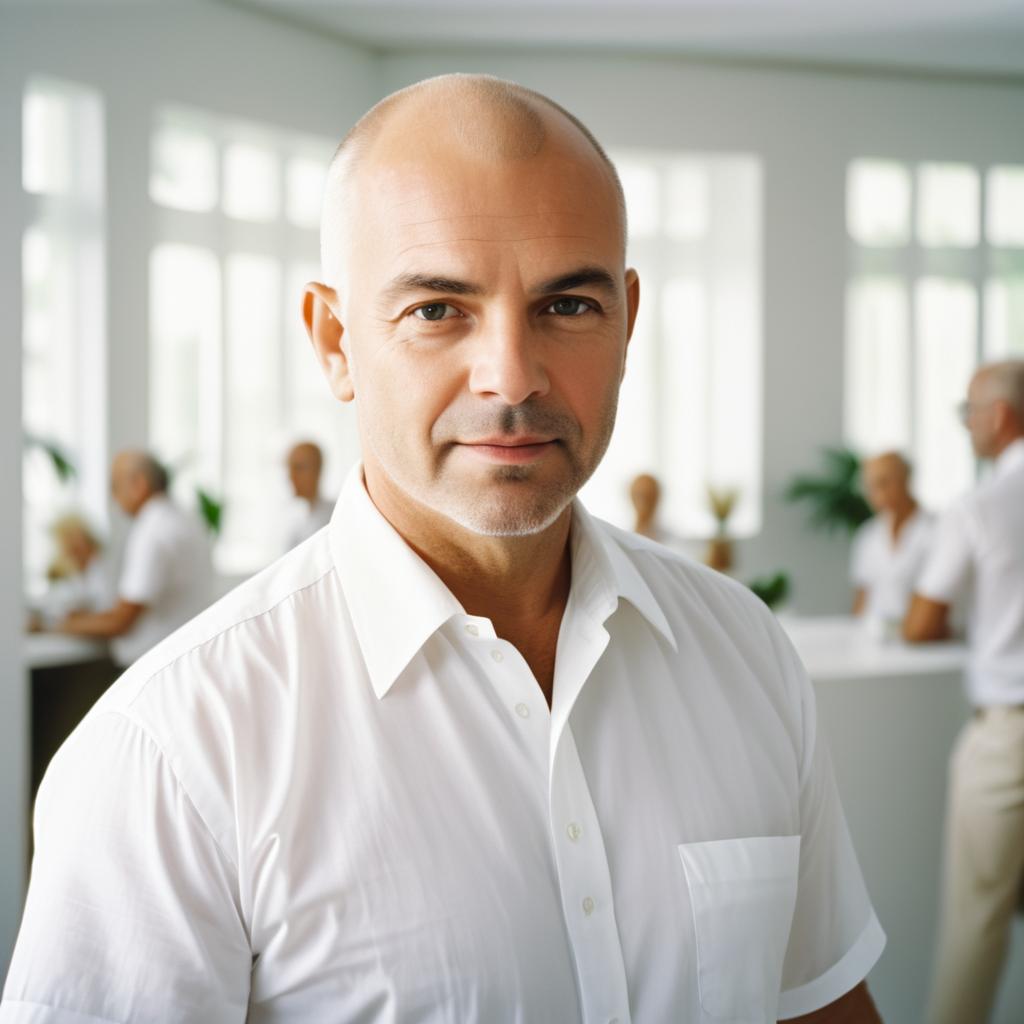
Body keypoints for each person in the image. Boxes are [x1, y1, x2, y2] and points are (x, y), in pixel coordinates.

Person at [1, 76, 883, 1023]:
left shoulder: (742, 650)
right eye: (437, 310)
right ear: (335, 340)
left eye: (568, 306)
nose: (511, 376)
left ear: (627, 321)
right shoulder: (172, 751)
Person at [903, 359, 1024, 1024]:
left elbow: (922, 621)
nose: (968, 425)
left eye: (969, 412)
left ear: (999, 417)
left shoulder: (981, 507)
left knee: (975, 924)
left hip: (1010, 739)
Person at [51, 450, 213, 669]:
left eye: (115, 487)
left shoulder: (152, 530)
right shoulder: (188, 520)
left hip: (156, 668)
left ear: (139, 484)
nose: (113, 497)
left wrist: (60, 625)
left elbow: (122, 620)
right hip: (188, 660)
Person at [850, 451, 933, 626]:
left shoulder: (935, 531)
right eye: (870, 486)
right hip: (873, 637)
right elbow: (862, 597)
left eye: (884, 482)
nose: (876, 493)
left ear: (905, 479)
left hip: (920, 642)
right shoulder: (867, 535)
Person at [32, 512, 112, 627]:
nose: (69, 545)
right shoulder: (72, 573)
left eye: (72, 538)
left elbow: (110, 614)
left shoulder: (104, 567)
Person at [282, 440, 333, 550]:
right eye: (290, 468)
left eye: (299, 468)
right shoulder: (295, 521)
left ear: (317, 470)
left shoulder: (334, 519)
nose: (291, 476)